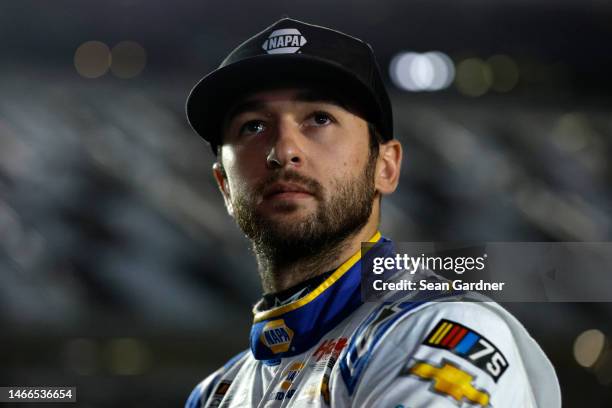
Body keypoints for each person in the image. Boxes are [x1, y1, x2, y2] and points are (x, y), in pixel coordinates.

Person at [183, 17, 561, 407]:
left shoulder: (437, 332)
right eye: (253, 126)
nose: (283, 152)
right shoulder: (217, 393)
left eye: (320, 119)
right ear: (225, 186)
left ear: (386, 167)